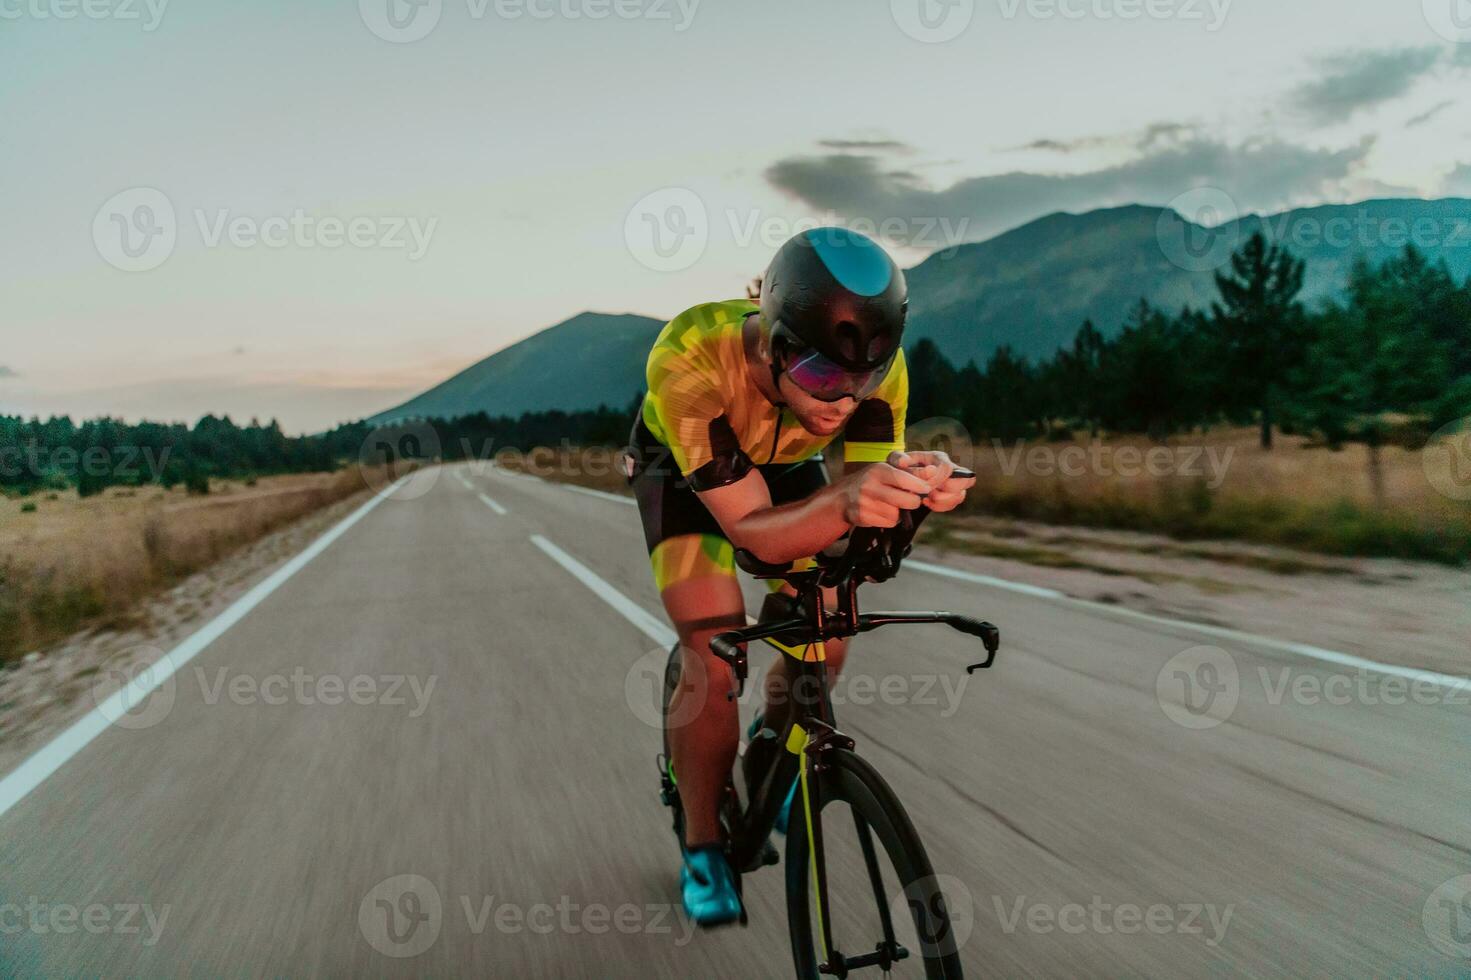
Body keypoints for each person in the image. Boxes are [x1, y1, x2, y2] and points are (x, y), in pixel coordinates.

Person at [625, 227, 976, 925]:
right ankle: (701, 843)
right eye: (821, 377)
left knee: (828, 628)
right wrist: (846, 501)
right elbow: (752, 531)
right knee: (713, 650)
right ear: (775, 340)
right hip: (689, 477)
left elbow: (865, 523)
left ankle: (771, 755)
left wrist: (915, 495)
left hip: (787, 467)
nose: (841, 403)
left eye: (863, 381)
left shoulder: (875, 373)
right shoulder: (691, 356)